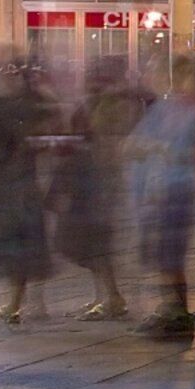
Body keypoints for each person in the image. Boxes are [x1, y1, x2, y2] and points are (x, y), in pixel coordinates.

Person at [0, 63, 55, 324]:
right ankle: (23, 299)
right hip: (11, 181)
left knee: (17, 243)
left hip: (16, 184)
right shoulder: (11, 107)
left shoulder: (17, 108)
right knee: (16, 243)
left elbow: (23, 144)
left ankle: (18, 301)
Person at [128, 60, 195, 337]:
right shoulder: (164, 108)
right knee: (161, 254)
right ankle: (170, 307)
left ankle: (177, 310)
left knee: (172, 253)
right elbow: (134, 144)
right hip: (157, 186)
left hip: (180, 187)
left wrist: (162, 150)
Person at [52, 71, 136, 320]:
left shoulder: (105, 109)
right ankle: (106, 296)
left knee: (91, 243)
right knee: (88, 243)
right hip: (90, 183)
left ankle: (112, 297)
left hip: (94, 186)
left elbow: (102, 146)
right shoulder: (92, 106)